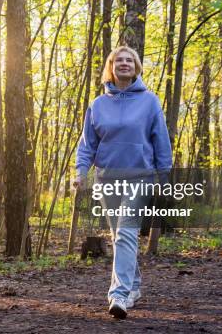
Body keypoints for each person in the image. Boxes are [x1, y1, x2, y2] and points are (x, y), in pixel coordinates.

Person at [73, 45, 172, 319]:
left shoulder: (150, 101)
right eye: (119, 60)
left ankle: (119, 295)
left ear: (137, 67)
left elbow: (160, 140)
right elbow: (87, 144)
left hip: (140, 177)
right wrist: (80, 172)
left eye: (130, 60)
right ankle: (135, 286)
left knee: (126, 233)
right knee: (120, 236)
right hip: (107, 179)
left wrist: (164, 176)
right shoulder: (97, 104)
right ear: (111, 66)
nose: (125, 63)